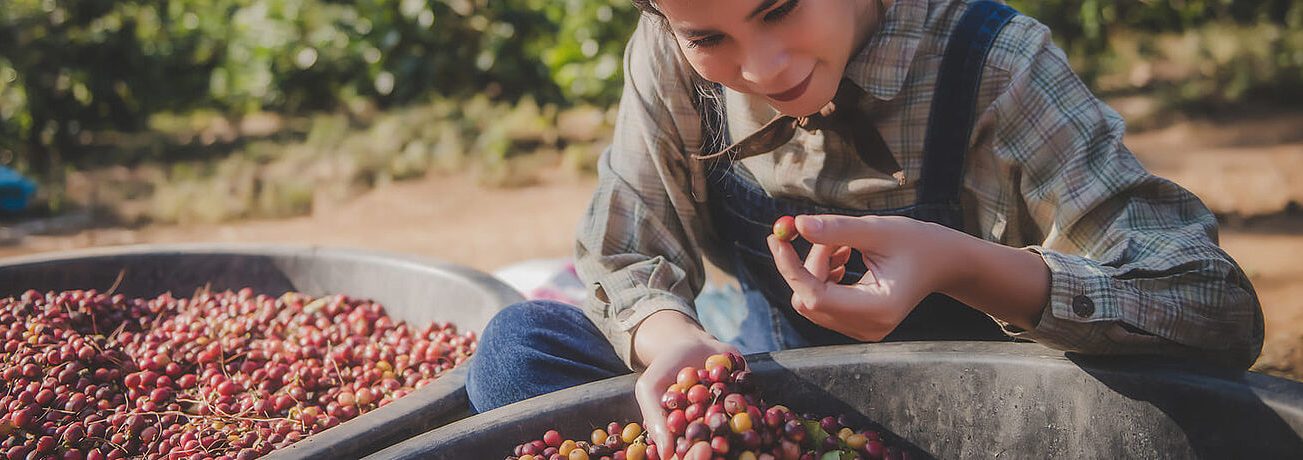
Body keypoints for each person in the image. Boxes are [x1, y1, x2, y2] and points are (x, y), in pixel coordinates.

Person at [467, 0, 1265, 458]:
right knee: (517, 352)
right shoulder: (672, 52)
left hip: (980, 425)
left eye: (780, 7)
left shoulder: (997, 64)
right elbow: (625, 245)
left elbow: (1209, 304)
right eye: (711, 38)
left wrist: (962, 264)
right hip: (778, 412)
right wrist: (672, 342)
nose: (766, 68)